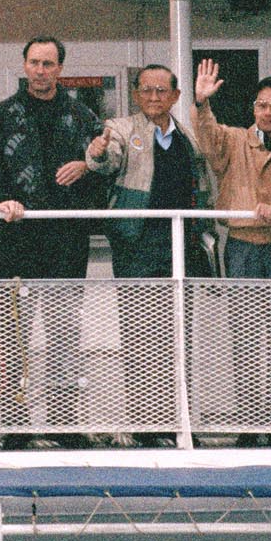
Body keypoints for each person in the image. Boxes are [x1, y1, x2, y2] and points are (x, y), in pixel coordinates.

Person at [0, 35, 106, 447]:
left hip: (66, 242)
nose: (40, 70)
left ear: (60, 69)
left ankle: (63, 422)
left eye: (48, 63)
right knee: (13, 334)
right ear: (24, 65)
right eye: (34, 62)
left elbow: (106, 173)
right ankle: (15, 426)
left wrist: (87, 166)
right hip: (14, 242)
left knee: (65, 332)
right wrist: (0, 201)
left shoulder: (85, 118)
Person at [86, 64, 212, 446]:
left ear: (175, 96)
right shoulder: (122, 128)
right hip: (138, 244)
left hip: (182, 245)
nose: (154, 97)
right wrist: (97, 154)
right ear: (136, 95)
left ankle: (178, 425)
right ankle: (145, 426)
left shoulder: (189, 135)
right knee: (141, 336)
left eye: (162, 90)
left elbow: (204, 186)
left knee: (179, 336)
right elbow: (107, 159)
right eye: (146, 90)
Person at [192, 63, 271, 444]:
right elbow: (207, 137)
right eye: (262, 105)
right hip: (241, 246)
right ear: (253, 108)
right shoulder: (234, 140)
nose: (268, 112)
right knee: (242, 337)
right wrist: (202, 102)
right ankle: (248, 421)